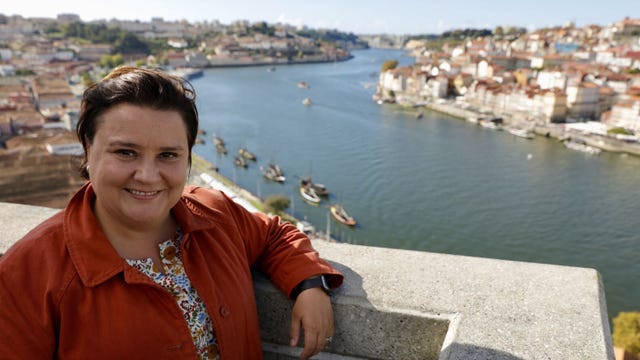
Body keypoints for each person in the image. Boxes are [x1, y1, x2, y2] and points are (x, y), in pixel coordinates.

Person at [0, 66, 343, 359]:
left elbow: (274, 235)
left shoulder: (215, 214)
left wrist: (309, 284)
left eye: (168, 155)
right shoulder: (28, 275)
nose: (148, 176)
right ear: (88, 150)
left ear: (188, 157)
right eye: (125, 152)